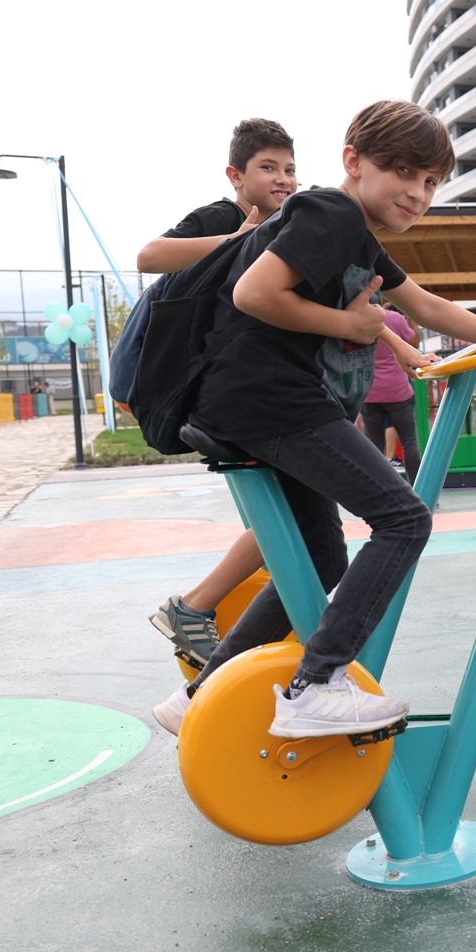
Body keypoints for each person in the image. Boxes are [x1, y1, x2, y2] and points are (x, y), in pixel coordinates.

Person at [153, 99, 476, 740]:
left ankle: (199, 695)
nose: (418, 193)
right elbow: (253, 294)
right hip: (271, 400)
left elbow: (421, 304)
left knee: (319, 562)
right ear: (354, 162)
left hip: (255, 400)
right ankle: (316, 686)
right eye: (404, 172)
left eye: (430, 182)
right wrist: (349, 324)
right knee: (403, 518)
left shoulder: (355, 234)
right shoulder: (331, 212)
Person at [140, 119, 299, 670]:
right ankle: (193, 606)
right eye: (268, 168)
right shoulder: (225, 216)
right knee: (294, 512)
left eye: (289, 168)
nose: (282, 179)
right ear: (236, 175)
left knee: (291, 513)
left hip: (254, 388)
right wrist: (235, 238)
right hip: (222, 391)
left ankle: (210, 610)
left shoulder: (284, 228)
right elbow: (150, 255)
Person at [359, 305, 423, 483]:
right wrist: (413, 320)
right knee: (409, 442)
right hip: (398, 391)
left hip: (369, 391)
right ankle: (420, 490)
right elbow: (414, 343)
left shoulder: (357, 317)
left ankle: (378, 489)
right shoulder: (395, 318)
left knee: (373, 445)